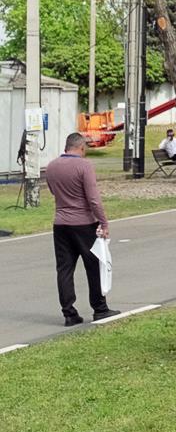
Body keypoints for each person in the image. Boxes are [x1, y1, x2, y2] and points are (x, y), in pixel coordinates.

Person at [44, 133, 120, 325]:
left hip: (60, 223)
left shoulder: (52, 166)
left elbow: (53, 190)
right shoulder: (84, 166)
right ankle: (99, 308)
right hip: (84, 222)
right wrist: (104, 222)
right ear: (81, 147)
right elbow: (93, 199)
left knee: (64, 269)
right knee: (93, 266)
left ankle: (69, 313)